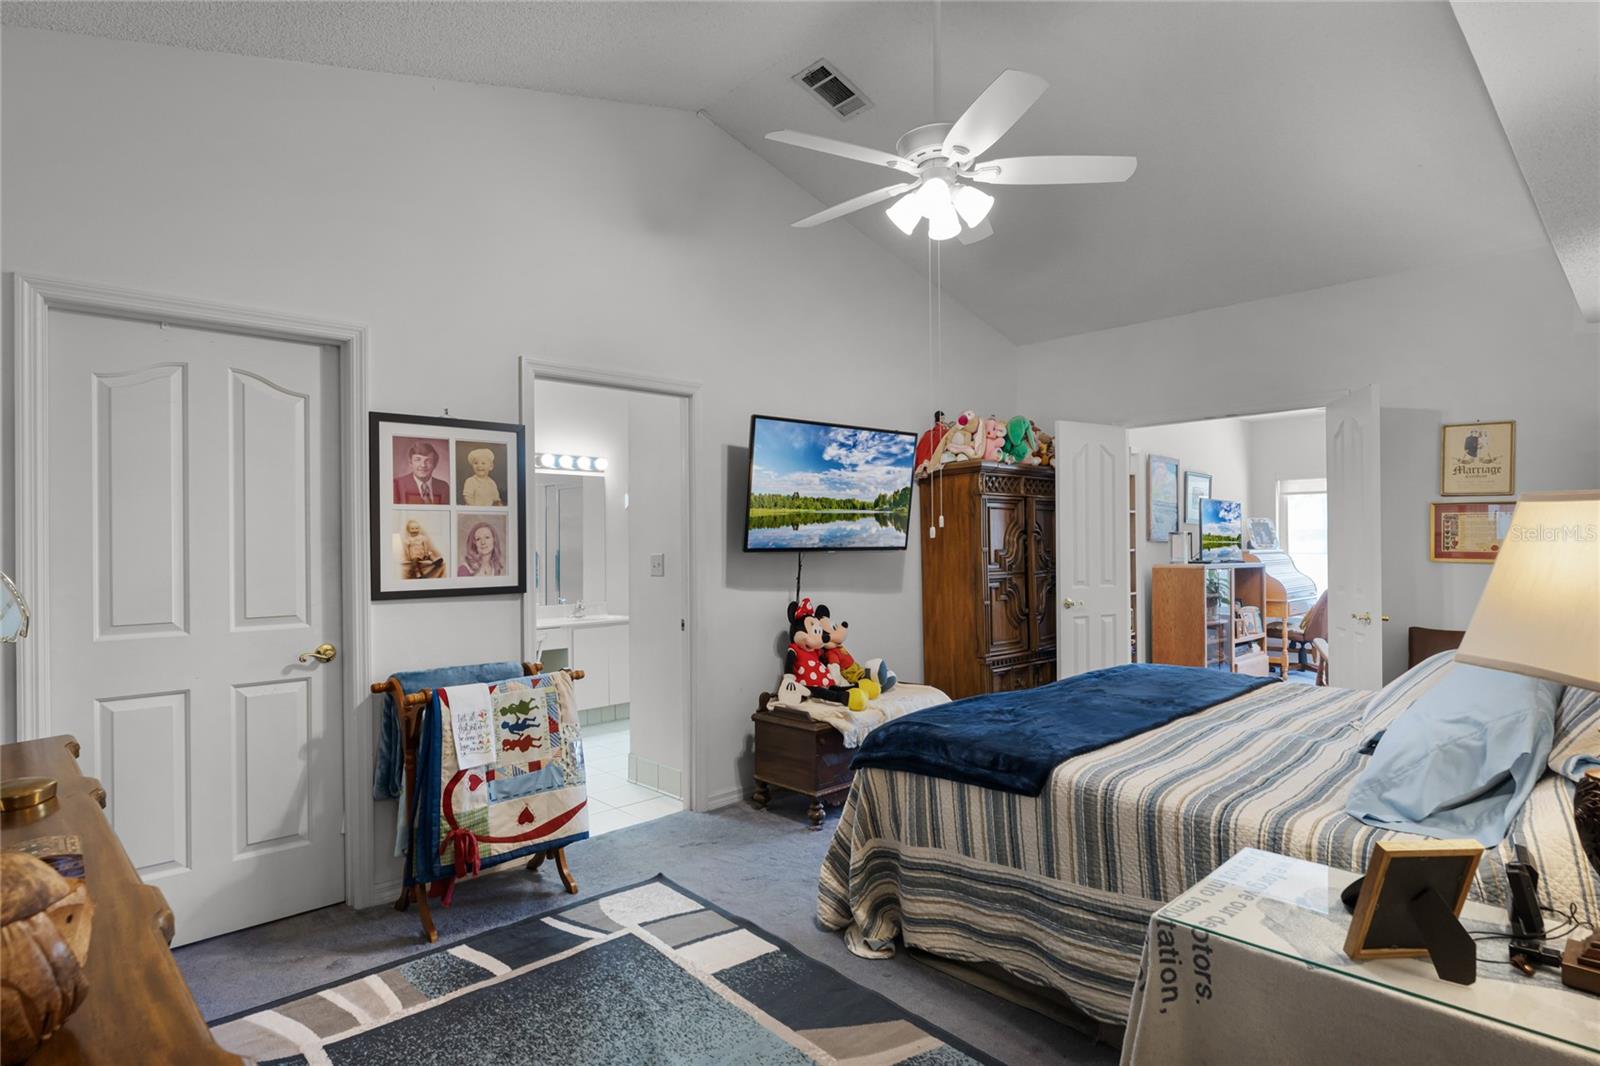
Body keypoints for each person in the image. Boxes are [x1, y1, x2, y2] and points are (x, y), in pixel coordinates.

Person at [393, 440, 450, 505]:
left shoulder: (444, 487)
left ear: (435, 464)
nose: (423, 465)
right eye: (418, 460)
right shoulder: (397, 485)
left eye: (428, 461)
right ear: (410, 463)